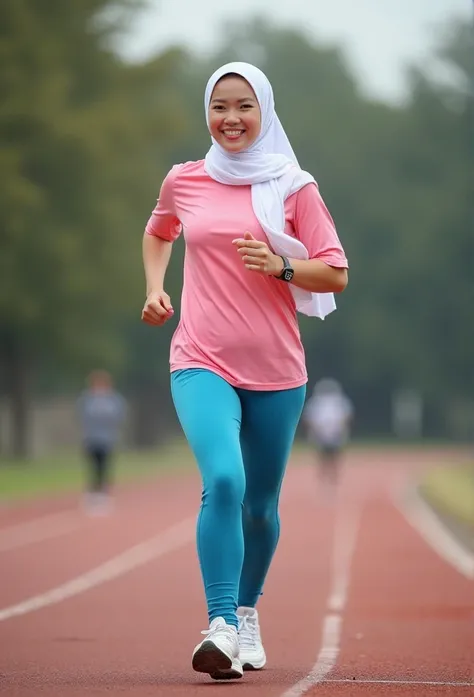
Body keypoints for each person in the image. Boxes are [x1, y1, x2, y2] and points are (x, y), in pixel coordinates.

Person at [141, 61, 349, 680]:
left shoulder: (293, 187)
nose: (230, 119)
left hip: (278, 371)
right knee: (223, 481)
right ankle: (222, 623)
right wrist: (154, 287)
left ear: (265, 112)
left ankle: (248, 613)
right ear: (207, 112)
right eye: (220, 106)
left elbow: (335, 271)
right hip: (200, 359)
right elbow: (159, 233)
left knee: (260, 506)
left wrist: (281, 267)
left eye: (244, 107)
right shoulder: (185, 179)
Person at [76, 370, 127, 514]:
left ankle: (103, 494)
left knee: (104, 466)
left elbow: (119, 416)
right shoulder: (87, 399)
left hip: (107, 439)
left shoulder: (114, 400)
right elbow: (81, 416)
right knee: (92, 465)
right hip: (91, 439)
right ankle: (92, 493)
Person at [303, 378, 354, 493]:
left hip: (333, 435)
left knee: (333, 460)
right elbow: (309, 419)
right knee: (324, 460)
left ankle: (332, 483)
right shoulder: (317, 403)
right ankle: (325, 483)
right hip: (323, 435)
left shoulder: (338, 402)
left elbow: (346, 417)